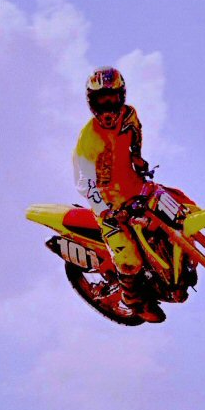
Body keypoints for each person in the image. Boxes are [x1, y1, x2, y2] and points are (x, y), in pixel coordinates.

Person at [72, 66, 166, 323]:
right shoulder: (88, 139)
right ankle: (134, 301)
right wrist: (106, 211)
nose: (108, 107)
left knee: (179, 205)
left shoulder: (130, 115)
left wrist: (137, 156)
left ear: (121, 97)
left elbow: (136, 132)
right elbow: (83, 183)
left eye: (112, 99)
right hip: (109, 206)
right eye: (102, 101)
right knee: (128, 258)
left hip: (136, 189)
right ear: (92, 103)